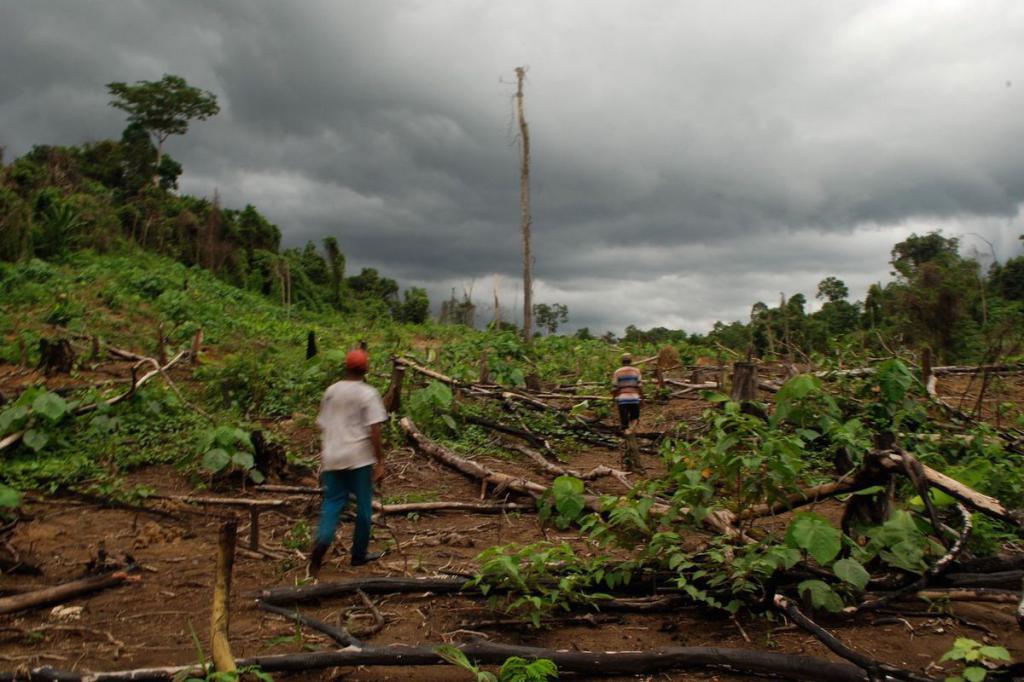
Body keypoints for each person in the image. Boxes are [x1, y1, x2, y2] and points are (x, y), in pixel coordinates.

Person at [307, 348, 388, 578]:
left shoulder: (331, 391)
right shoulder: (368, 393)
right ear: (366, 369)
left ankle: (322, 541)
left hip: (332, 456)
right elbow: (375, 429)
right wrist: (380, 460)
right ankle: (358, 555)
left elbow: (323, 423)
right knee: (363, 507)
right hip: (358, 458)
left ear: (346, 367)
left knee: (332, 503)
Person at [612, 353, 643, 432]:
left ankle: (627, 432)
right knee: (635, 417)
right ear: (631, 361)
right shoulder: (636, 371)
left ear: (622, 362)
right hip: (634, 398)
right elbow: (640, 386)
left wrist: (614, 398)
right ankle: (632, 431)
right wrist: (642, 397)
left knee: (624, 421)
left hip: (622, 399)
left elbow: (615, 387)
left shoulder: (617, 372)